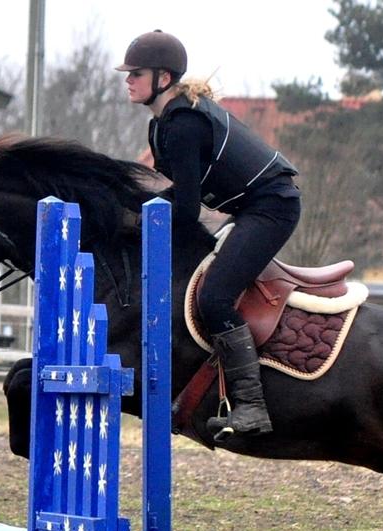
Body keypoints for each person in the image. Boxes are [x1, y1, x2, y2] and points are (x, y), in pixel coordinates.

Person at [117, 30, 301, 444]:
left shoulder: (182, 125)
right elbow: (181, 195)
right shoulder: (165, 124)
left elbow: (183, 210)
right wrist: (130, 214)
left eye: (136, 73)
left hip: (272, 208)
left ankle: (252, 406)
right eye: (127, 74)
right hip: (250, 208)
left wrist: (133, 225)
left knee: (215, 296)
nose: (128, 80)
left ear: (163, 78)